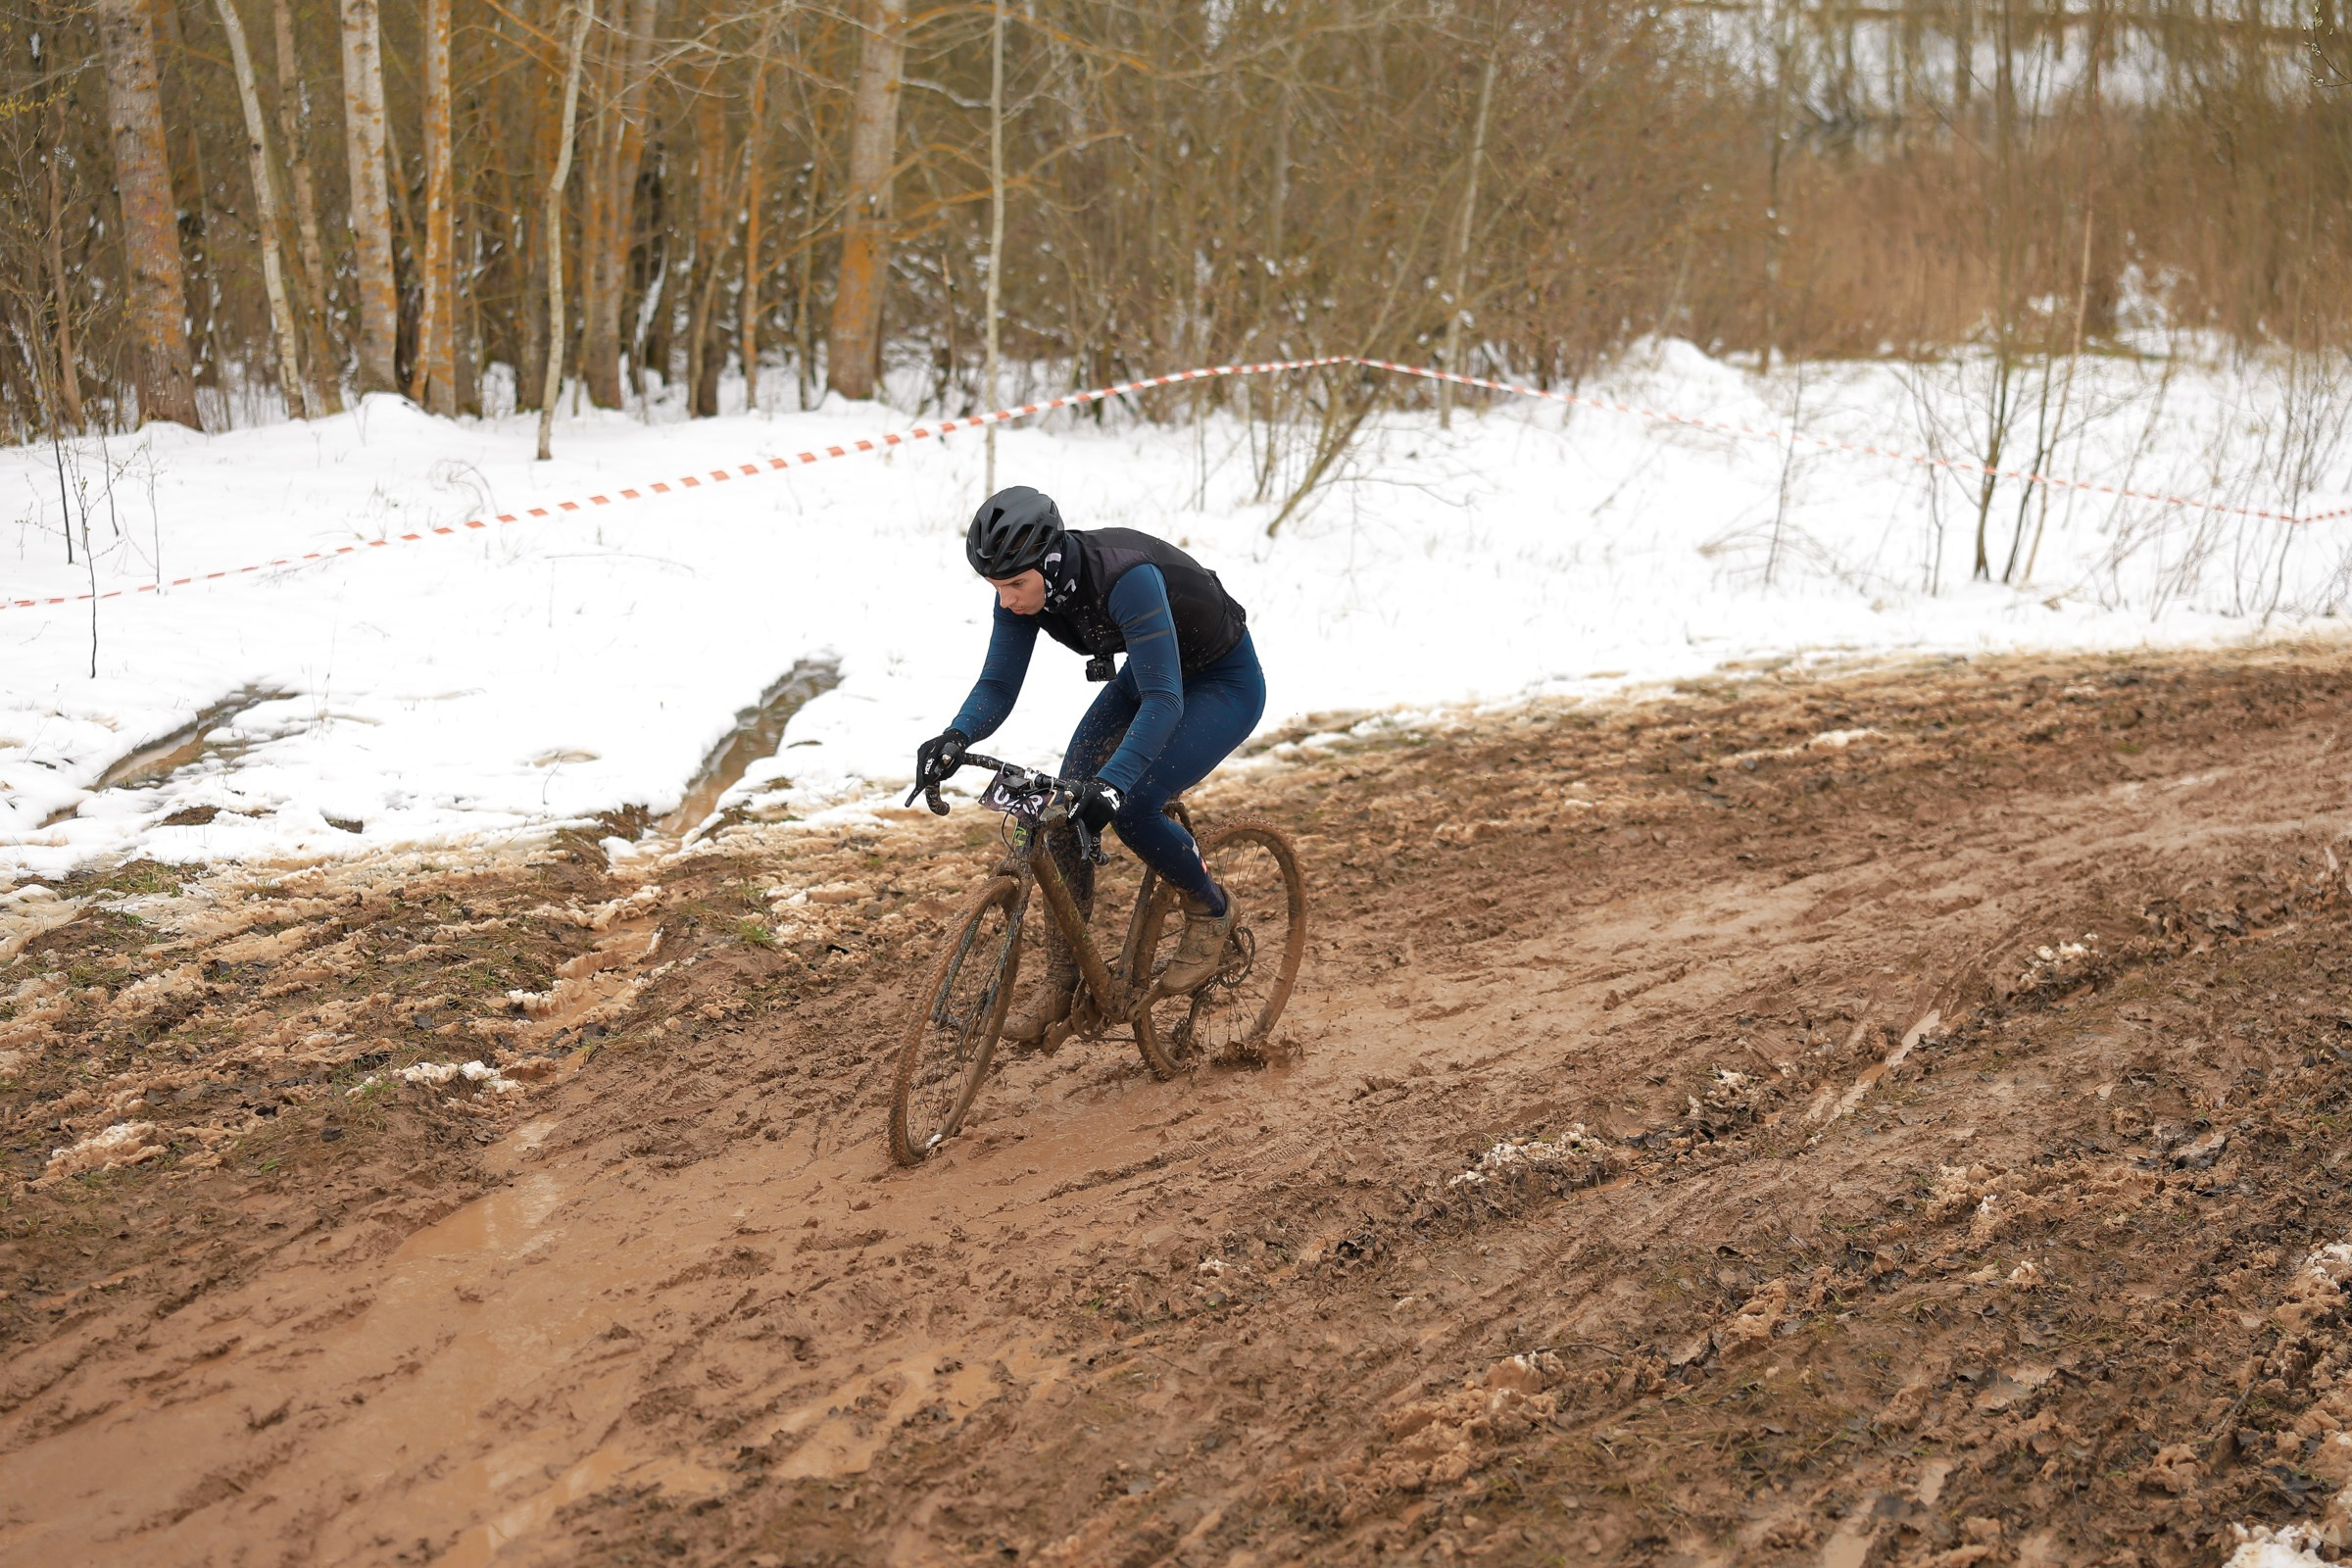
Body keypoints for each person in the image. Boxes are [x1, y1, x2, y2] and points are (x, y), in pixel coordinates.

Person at [913, 485, 1267, 1041]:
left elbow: (1166, 700)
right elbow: (998, 683)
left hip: (1221, 685)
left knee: (1132, 804)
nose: (1006, 600)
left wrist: (1113, 785)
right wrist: (954, 736)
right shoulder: (1026, 587)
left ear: (1049, 564)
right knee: (1062, 810)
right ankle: (1064, 983)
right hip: (1153, 678)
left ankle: (1211, 908)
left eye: (1013, 586)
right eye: (994, 587)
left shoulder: (1128, 578)